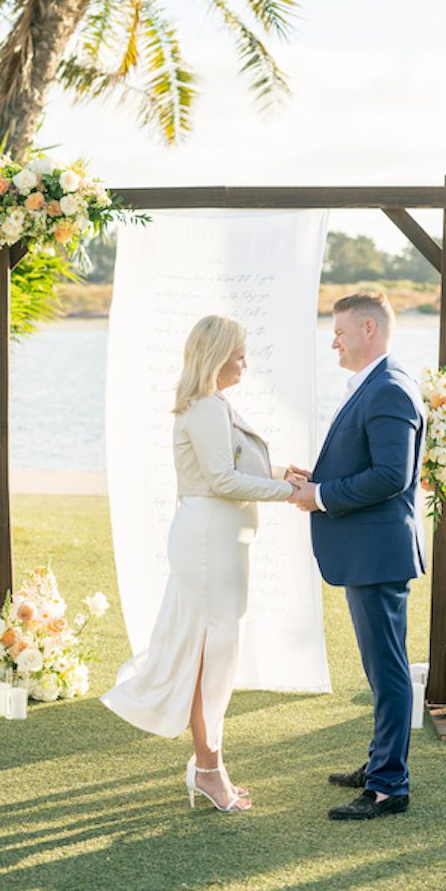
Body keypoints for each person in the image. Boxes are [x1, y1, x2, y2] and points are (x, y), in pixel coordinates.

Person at [101, 314, 294, 813]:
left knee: (213, 654)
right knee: (213, 657)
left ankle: (208, 764)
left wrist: (281, 472)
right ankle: (208, 769)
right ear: (216, 357)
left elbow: (231, 467)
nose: (245, 363)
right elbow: (223, 482)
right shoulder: (206, 406)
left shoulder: (212, 405)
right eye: (239, 354)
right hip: (211, 542)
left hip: (217, 540)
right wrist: (292, 493)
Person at [288, 291, 426, 821]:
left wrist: (320, 496)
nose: (334, 342)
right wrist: (316, 481)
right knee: (378, 667)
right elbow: (370, 464)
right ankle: (379, 764)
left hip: (378, 551)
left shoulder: (389, 388)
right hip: (368, 549)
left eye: (340, 332)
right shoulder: (376, 384)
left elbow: (394, 475)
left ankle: (389, 787)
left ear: (370, 328)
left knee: (388, 669)